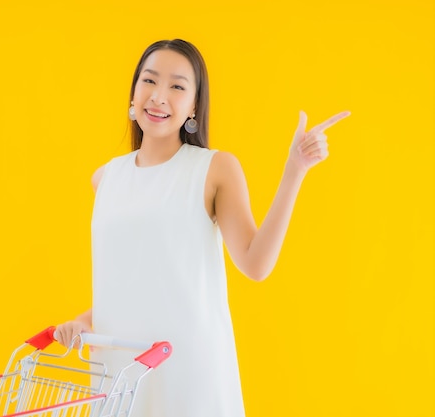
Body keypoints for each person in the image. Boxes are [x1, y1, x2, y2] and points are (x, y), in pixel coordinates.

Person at [55, 39, 350, 417]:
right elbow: (137, 283)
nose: (159, 96)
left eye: (177, 86)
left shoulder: (214, 169)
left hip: (187, 372)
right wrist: (83, 321)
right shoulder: (106, 179)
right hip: (120, 374)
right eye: (149, 81)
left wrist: (294, 171)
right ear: (133, 93)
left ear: (194, 105)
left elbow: (255, 264)